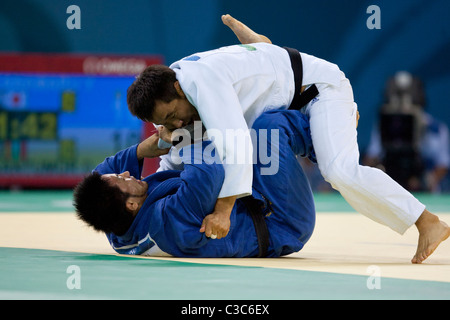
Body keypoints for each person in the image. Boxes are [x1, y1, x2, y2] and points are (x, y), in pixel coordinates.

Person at [126, 14, 449, 263]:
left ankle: (426, 221)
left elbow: (236, 145)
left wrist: (224, 210)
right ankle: (266, 50)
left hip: (321, 92)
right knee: (213, 131)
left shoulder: (201, 84)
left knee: (339, 170)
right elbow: (177, 154)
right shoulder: (172, 87)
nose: (175, 122)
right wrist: (153, 193)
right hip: (283, 91)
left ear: (179, 89)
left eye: (171, 116)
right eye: (164, 122)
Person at [73, 110, 316, 258]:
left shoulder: (116, 227)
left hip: (256, 201)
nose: (125, 172)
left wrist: (142, 149)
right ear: (132, 205)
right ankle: (327, 134)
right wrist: (182, 133)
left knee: (239, 130)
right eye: (123, 180)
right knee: (268, 128)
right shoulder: (169, 221)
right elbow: (207, 171)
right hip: (281, 221)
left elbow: (99, 176)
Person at [364, 71, 450, 193]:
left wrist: (427, 180)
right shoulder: (384, 125)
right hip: (391, 190)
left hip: (426, 192)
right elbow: (372, 155)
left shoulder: (436, 129)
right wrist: (374, 172)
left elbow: (443, 163)